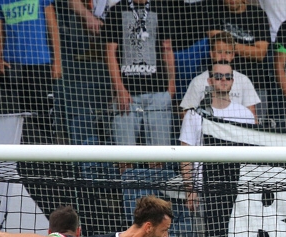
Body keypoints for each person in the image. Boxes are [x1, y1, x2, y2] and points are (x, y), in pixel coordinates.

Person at [105, 0, 176, 170]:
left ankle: (156, 197)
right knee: (125, 157)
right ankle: (130, 197)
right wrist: (120, 89)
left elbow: (167, 48)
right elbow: (109, 52)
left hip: (158, 93)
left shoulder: (162, 8)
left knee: (159, 158)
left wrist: (171, 87)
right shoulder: (116, 10)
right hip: (126, 96)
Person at [180, 62, 257, 209]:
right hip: (204, 189)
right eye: (218, 76)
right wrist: (190, 190)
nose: (223, 80)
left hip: (238, 190)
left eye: (228, 77)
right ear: (210, 81)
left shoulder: (245, 114)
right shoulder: (193, 114)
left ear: (233, 81)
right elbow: (185, 155)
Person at [0, 0, 62, 144]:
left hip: (39, 62)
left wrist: (57, 61)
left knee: (40, 113)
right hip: (12, 65)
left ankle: (46, 151)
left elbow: (52, 26)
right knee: (14, 114)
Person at [181, 33, 262, 117]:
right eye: (219, 52)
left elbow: (252, 116)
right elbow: (186, 114)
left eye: (227, 52)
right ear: (211, 54)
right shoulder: (198, 81)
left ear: (233, 55)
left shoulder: (244, 80)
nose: (223, 57)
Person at [208, 0, 272, 90]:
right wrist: (248, 49)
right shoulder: (215, 11)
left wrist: (229, 45)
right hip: (222, 80)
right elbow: (218, 43)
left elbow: (260, 53)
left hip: (254, 79)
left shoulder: (257, 14)